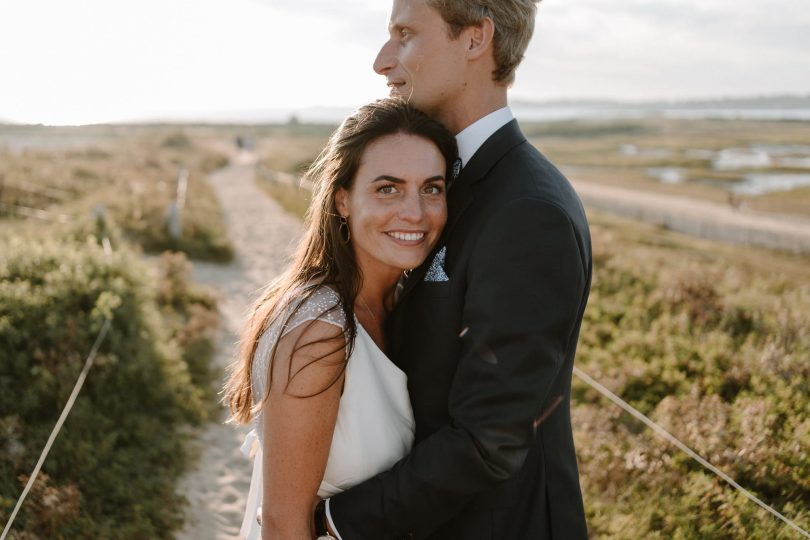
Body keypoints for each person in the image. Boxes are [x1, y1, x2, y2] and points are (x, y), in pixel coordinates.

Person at [322, 1, 592, 538]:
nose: (382, 60)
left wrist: (334, 521)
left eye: (404, 35)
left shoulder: (527, 212)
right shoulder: (443, 178)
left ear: (475, 39)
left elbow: (488, 440)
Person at [223, 98, 457, 539]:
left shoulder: (400, 307)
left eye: (432, 188)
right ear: (342, 200)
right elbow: (282, 524)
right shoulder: (321, 331)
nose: (415, 212)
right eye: (387, 188)